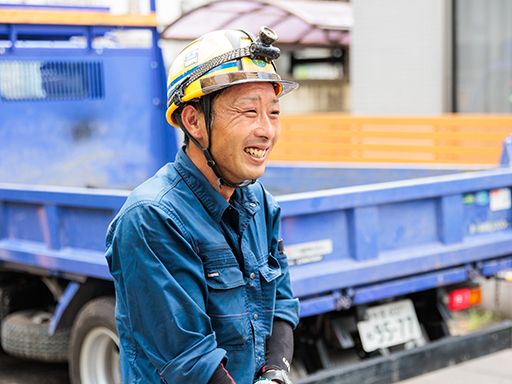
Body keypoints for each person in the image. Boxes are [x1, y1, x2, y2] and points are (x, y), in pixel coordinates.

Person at [105, 27, 299, 384]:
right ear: (194, 121)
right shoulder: (152, 219)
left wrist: (275, 373)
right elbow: (189, 362)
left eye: (273, 113)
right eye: (248, 112)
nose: (267, 131)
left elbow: (282, 304)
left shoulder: (259, 203)